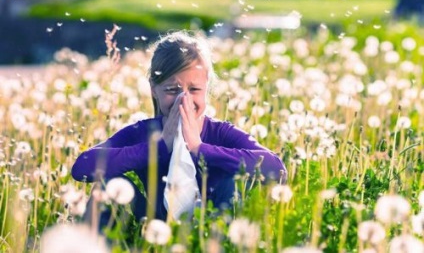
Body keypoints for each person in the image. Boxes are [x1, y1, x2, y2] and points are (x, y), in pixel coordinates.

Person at [71, 30, 286, 224]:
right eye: (173, 90)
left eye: (194, 89)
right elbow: (82, 167)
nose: (183, 99)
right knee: (107, 186)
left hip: (213, 226)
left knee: (230, 183)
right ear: (154, 89)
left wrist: (200, 149)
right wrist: (159, 147)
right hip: (153, 226)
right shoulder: (145, 132)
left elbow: (277, 169)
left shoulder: (219, 132)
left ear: (206, 87)